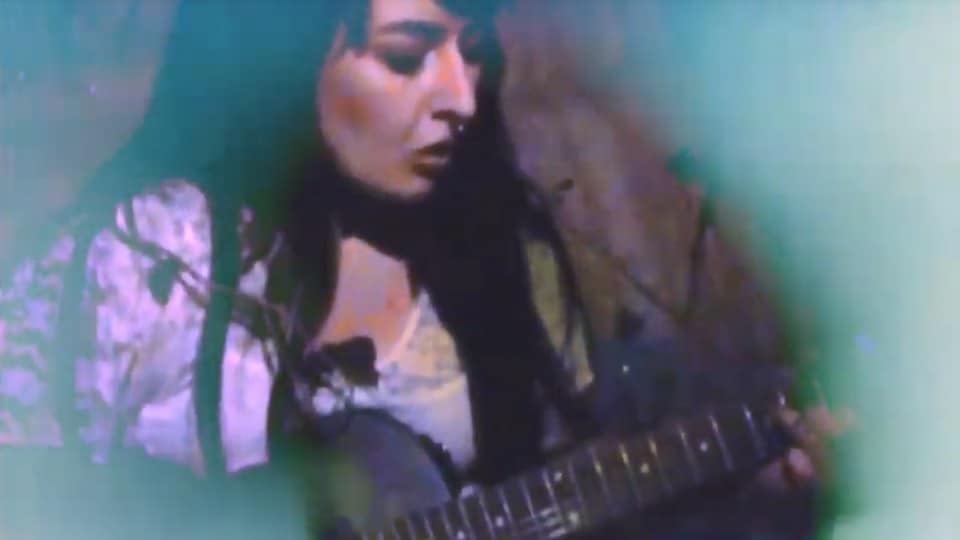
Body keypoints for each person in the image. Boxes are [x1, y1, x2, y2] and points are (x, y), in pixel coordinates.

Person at [0, 1, 848, 538]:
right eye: (406, 57)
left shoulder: (508, 259)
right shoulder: (143, 262)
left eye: (472, 54)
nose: (460, 97)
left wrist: (757, 488)